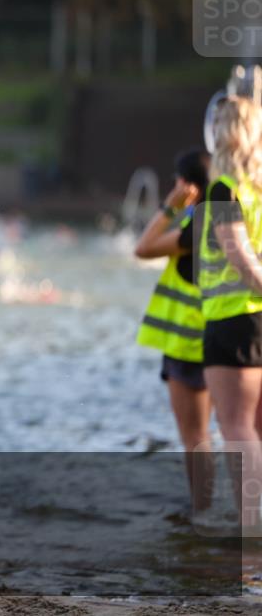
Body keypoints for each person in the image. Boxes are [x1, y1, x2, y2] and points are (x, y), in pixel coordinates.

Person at [134, 150, 213, 513]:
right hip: (231, 337)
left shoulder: (196, 227)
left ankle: (205, 512)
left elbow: (144, 247)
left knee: (196, 438)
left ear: (187, 185)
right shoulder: (232, 218)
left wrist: (169, 206)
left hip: (188, 343)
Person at [197, 93, 262, 529]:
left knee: (236, 429)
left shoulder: (224, 188)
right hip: (254, 318)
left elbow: (237, 253)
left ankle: (253, 527)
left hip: (232, 319)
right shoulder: (257, 189)